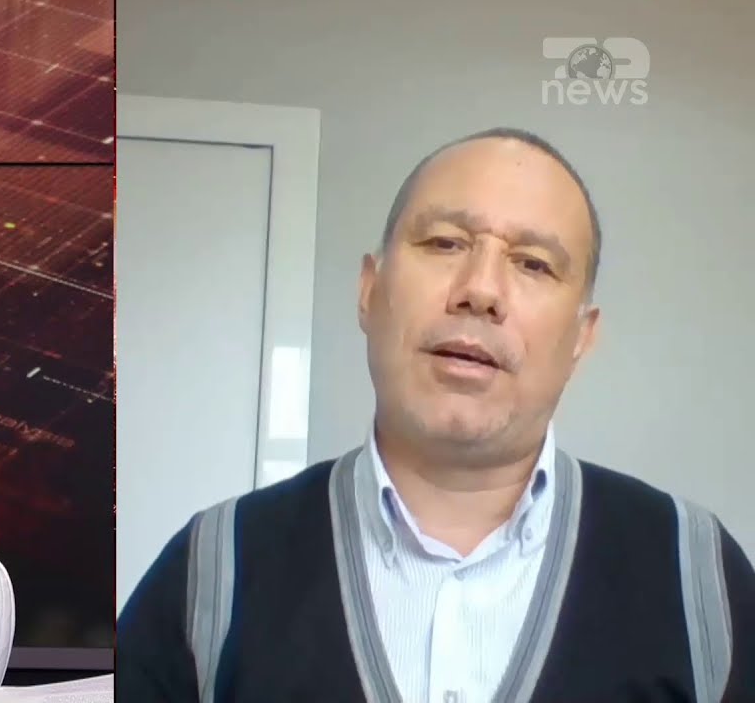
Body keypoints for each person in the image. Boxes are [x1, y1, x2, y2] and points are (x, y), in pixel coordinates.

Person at [116, 128, 755, 701]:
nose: (481, 290)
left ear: (581, 339)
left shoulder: (698, 576)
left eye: (534, 264)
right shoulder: (213, 568)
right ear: (369, 291)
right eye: (446, 242)